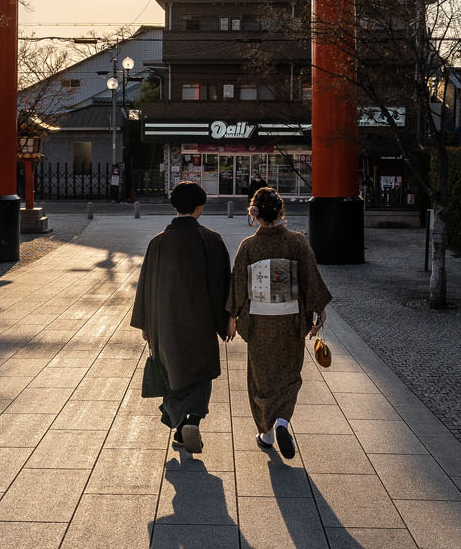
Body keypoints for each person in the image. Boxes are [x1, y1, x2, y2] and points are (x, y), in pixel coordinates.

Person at [227, 186, 331, 460]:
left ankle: (267, 433)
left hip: (260, 322)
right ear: (281, 212)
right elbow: (310, 276)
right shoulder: (297, 242)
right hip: (290, 319)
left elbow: (238, 283)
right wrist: (319, 309)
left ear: (255, 215)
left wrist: (231, 317)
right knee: (288, 374)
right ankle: (283, 420)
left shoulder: (249, 246)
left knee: (260, 378)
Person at [131, 181, 231, 453]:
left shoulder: (158, 243)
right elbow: (223, 285)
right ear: (200, 208)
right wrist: (228, 319)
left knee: (171, 370)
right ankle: (193, 421)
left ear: (174, 206)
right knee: (202, 371)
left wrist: (145, 322)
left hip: (165, 321)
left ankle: (179, 423)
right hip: (201, 321)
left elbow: (146, 286)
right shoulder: (212, 240)